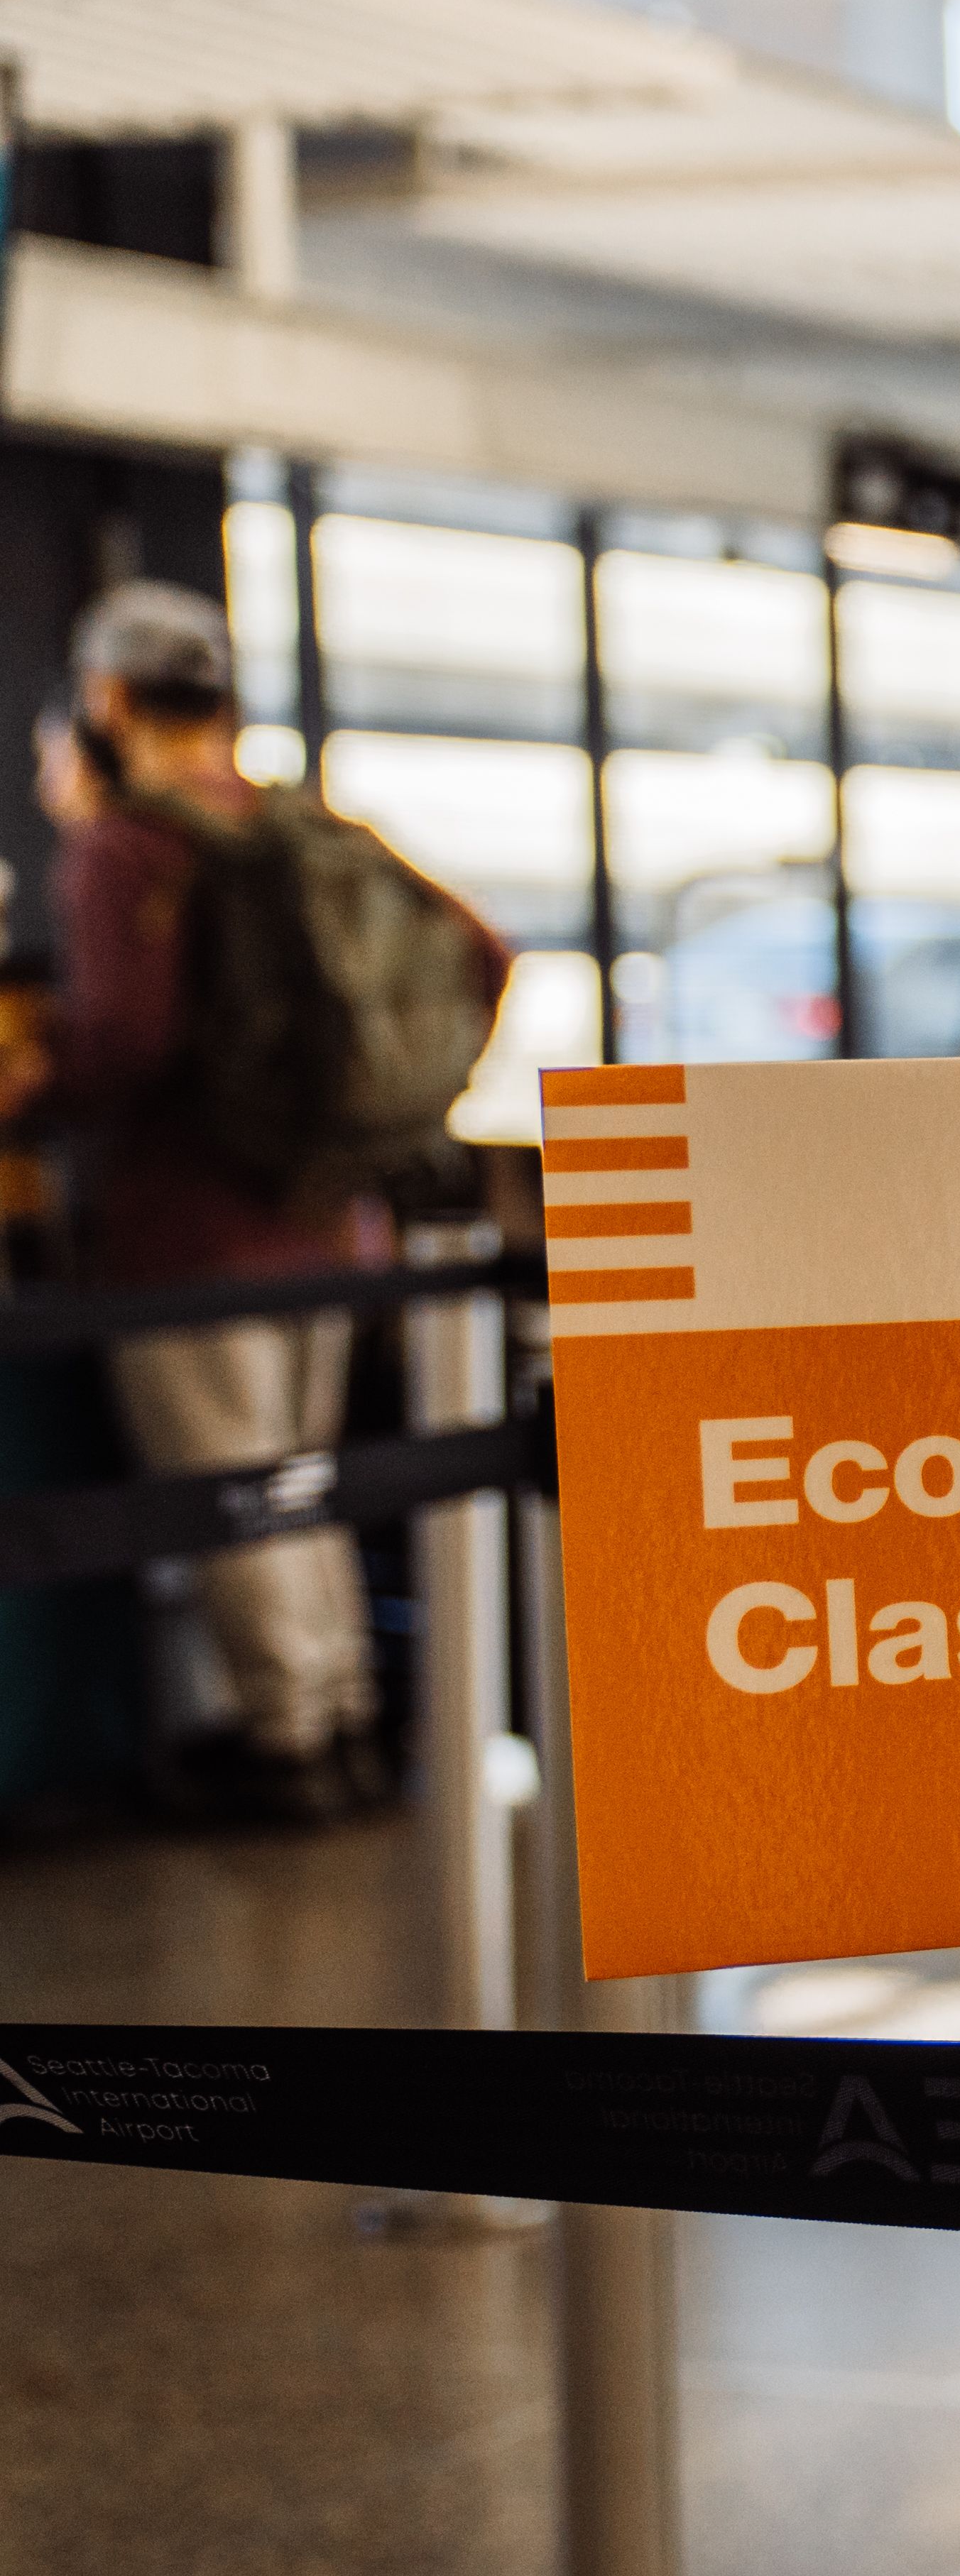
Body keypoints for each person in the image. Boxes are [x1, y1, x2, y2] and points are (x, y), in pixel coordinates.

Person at [32, 582, 506, 1824]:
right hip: (335, 1221)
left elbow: (121, 1043)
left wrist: (41, 1079)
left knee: (237, 1495)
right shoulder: (304, 822)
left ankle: (286, 1740)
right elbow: (483, 950)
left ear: (107, 702)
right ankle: (342, 1715)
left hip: (191, 1227)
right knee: (307, 1483)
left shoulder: (126, 844)